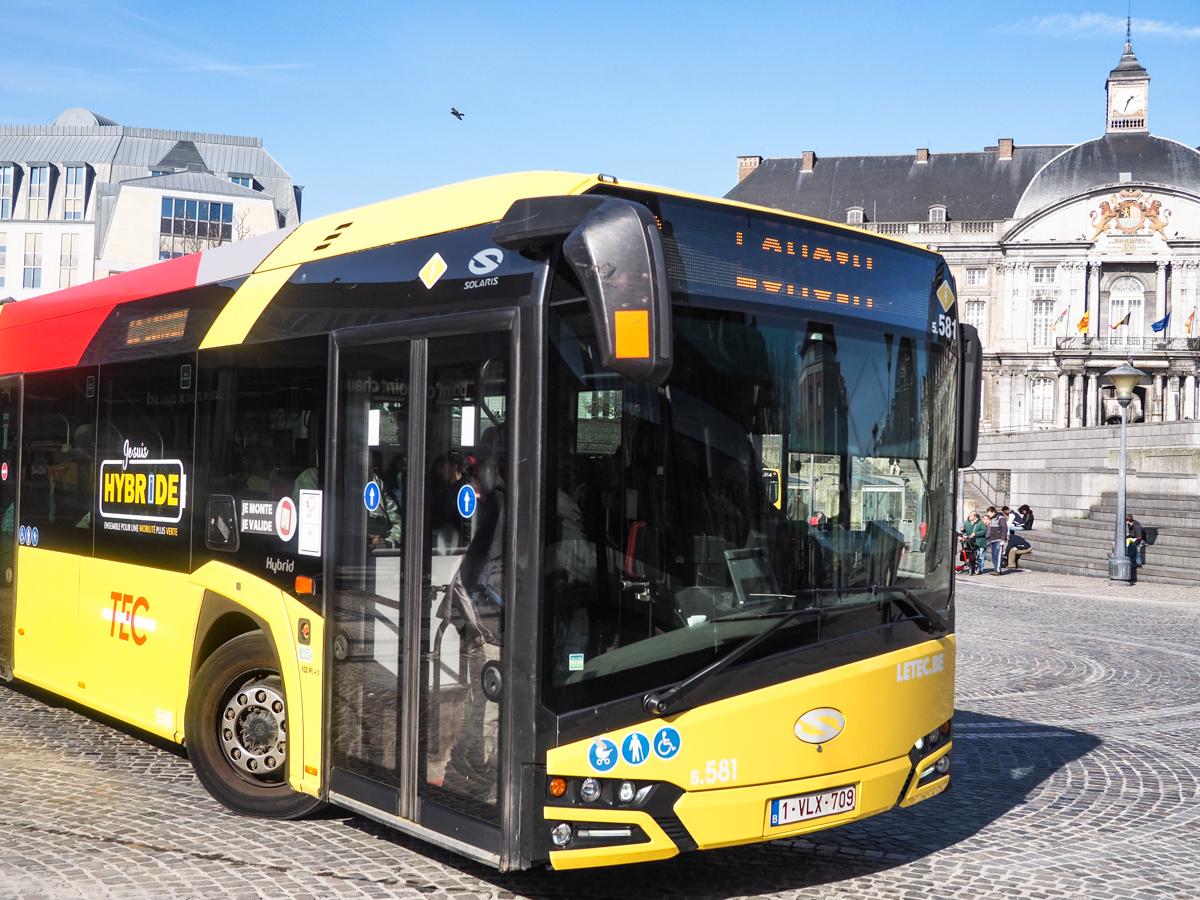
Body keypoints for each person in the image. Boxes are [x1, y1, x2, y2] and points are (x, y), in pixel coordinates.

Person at [983, 510, 1008, 575]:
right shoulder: (993, 519)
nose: (988, 514)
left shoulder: (1000, 518)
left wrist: (1003, 540)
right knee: (994, 556)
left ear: (993, 512)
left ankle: (998, 571)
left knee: (998, 555)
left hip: (998, 540)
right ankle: (995, 569)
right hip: (993, 540)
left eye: (989, 512)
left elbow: (1004, 528)